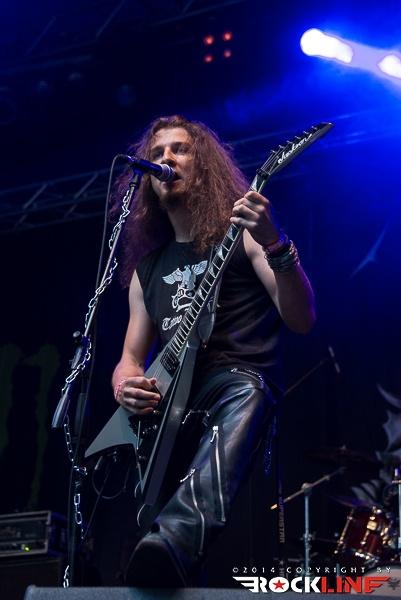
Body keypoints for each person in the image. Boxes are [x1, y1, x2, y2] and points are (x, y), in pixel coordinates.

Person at [111, 115, 316, 586]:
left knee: (246, 390)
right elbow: (129, 358)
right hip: (172, 402)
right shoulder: (147, 271)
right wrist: (125, 386)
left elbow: (302, 319)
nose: (165, 159)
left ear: (204, 166)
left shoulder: (243, 234)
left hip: (236, 382)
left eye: (179, 149)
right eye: (157, 153)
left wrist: (275, 244)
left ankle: (176, 537)